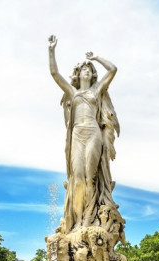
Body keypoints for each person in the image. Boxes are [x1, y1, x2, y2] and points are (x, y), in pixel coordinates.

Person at [48, 35, 118, 231]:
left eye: (89, 69)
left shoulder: (97, 91)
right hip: (77, 134)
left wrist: (96, 57)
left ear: (93, 74)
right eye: (82, 69)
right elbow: (54, 73)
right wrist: (51, 50)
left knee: (90, 177)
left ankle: (89, 219)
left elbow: (113, 70)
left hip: (93, 133)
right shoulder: (72, 92)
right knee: (77, 177)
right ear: (77, 75)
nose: (86, 71)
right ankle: (77, 221)